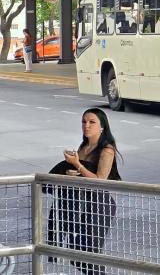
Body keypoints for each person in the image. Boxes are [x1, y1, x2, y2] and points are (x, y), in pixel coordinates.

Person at [48, 108, 121, 274]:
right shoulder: (84, 147)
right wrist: (70, 171)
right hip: (79, 203)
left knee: (88, 252)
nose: (86, 125)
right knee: (75, 251)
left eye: (92, 122)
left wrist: (77, 164)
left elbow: (100, 180)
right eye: (84, 122)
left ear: (102, 127)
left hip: (98, 205)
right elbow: (82, 174)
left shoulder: (107, 150)